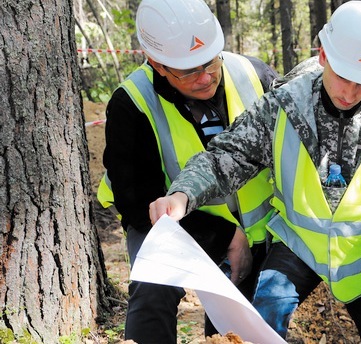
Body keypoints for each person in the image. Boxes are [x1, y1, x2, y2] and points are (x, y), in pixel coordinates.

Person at [147, 1, 361, 342]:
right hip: (297, 246)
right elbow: (226, 156)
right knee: (261, 325)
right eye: (343, 76)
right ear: (322, 55)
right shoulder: (282, 106)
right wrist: (183, 193)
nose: (348, 93)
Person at [96, 0, 278, 342]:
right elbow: (136, 201)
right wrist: (223, 236)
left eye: (210, 62)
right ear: (157, 64)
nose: (206, 77)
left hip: (258, 225)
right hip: (168, 222)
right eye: (189, 71)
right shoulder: (132, 103)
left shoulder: (254, 75)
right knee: (154, 289)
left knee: (237, 319)